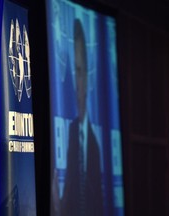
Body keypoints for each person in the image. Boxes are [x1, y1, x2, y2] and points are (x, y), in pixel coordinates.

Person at [59, 19, 103, 216]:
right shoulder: (71, 132)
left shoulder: (94, 143)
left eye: (79, 71)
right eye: (73, 72)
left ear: (87, 77)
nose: (76, 82)